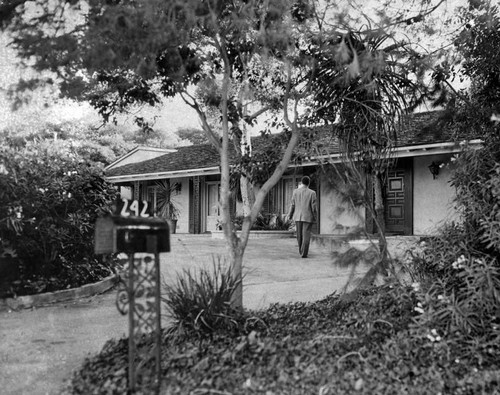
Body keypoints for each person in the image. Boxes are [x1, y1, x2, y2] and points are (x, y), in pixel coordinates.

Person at [287, 176, 317, 258]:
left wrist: (290, 215)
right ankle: (304, 253)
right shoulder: (312, 193)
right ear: (308, 183)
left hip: (297, 216)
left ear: (301, 182)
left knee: (299, 235)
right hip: (307, 217)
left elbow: (292, 205)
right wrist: (315, 217)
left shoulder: (295, 192)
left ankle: (301, 250)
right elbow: (314, 207)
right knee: (306, 235)